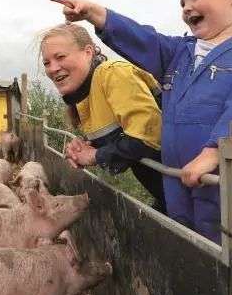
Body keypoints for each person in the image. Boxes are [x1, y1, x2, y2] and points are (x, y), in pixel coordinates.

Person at [50, 0, 232, 275]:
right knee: (186, 252)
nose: (186, 7)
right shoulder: (180, 53)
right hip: (179, 180)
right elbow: (143, 39)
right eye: (181, 1)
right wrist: (97, 14)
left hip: (226, 183)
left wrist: (214, 151)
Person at [40, 23, 167, 214]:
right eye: (47, 63)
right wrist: (88, 147)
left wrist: (95, 156)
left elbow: (150, 136)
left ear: (88, 52)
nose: (53, 68)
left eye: (60, 57)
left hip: (193, 191)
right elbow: (121, 137)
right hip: (166, 192)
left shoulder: (112, 73)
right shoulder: (84, 95)